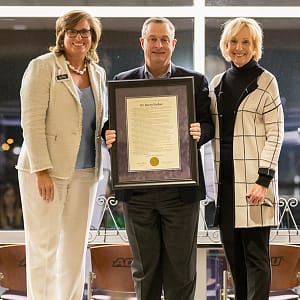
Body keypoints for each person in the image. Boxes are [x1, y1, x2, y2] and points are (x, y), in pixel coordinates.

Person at [104, 17, 214, 300]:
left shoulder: (195, 82)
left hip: (180, 194)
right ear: (142, 43)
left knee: (181, 272)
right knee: (145, 271)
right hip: (138, 195)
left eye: (164, 39)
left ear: (173, 44)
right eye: (153, 39)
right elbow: (109, 126)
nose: (158, 45)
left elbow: (209, 126)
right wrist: (109, 135)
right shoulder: (122, 82)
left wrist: (201, 131)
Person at [16, 10, 106, 300]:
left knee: (75, 248)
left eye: (86, 32)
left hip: (85, 171)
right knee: (44, 245)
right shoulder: (42, 67)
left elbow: (97, 123)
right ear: (62, 35)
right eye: (74, 31)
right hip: (46, 171)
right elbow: (31, 121)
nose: (80, 37)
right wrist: (41, 169)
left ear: (94, 37)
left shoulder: (97, 72)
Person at [209, 17, 284, 300]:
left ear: (255, 46)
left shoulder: (266, 82)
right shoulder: (216, 83)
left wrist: (263, 180)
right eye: (233, 42)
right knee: (235, 263)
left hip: (254, 186)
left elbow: (275, 134)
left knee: (256, 260)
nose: (238, 48)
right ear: (225, 45)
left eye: (245, 42)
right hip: (226, 187)